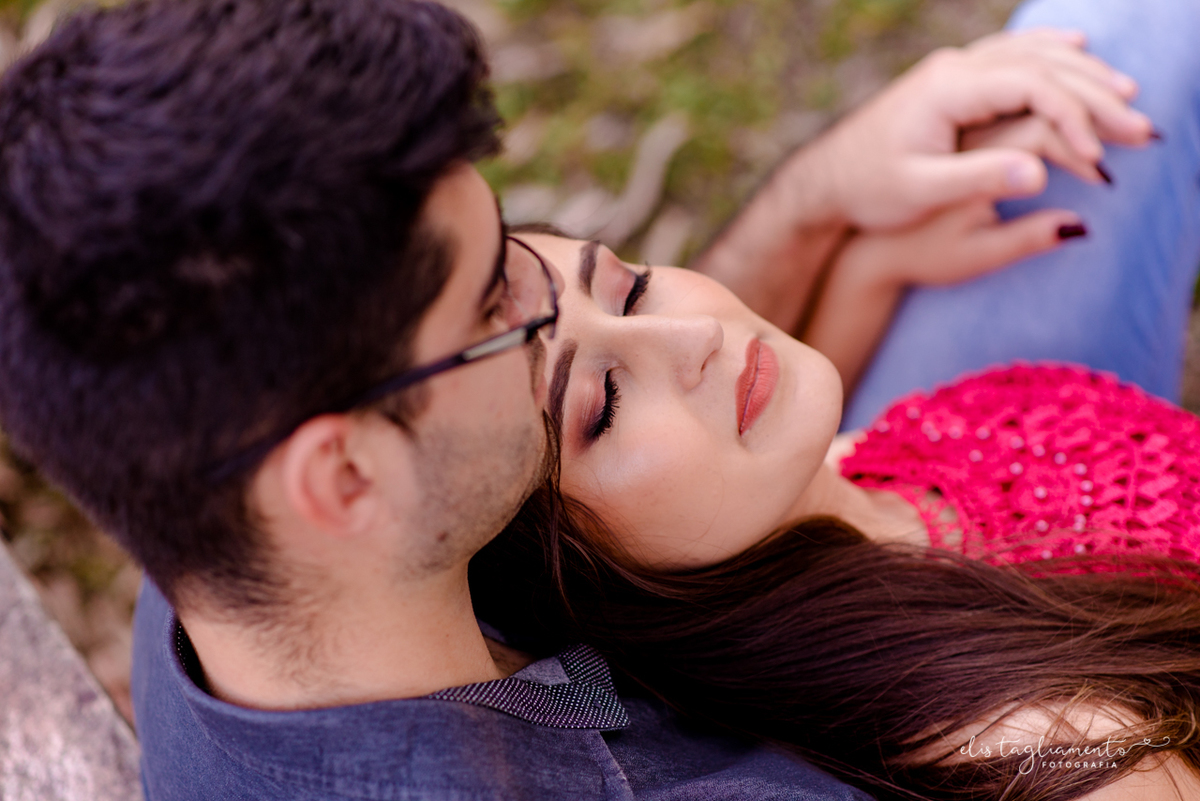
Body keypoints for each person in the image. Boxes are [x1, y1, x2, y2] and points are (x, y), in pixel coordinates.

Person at [0, 0, 1153, 800]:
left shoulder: (230, 517)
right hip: (1022, 632)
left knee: (1108, 54)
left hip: (899, 527)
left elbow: (619, 388)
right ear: (343, 475)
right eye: (495, 304)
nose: (544, 306)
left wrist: (820, 201)